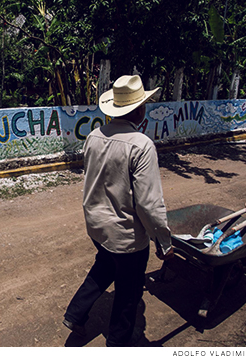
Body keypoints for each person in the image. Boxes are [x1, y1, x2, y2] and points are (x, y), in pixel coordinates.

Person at [63, 75, 174, 347]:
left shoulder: (94, 136)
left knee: (104, 266)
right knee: (128, 293)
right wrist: (163, 239)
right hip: (126, 237)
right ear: (139, 109)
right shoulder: (141, 145)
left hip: (97, 226)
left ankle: (75, 314)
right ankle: (118, 342)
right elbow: (148, 204)